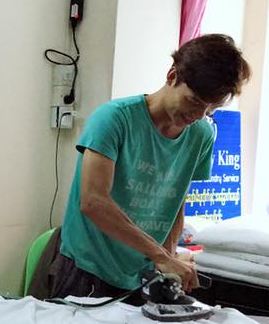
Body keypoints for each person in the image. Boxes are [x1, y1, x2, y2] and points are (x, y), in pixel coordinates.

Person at [49, 34, 251, 301]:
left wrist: (170, 254)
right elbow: (93, 202)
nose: (199, 116)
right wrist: (160, 255)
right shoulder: (114, 119)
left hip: (142, 272)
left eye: (210, 110)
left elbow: (177, 199)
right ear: (172, 76)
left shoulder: (201, 135)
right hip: (87, 269)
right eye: (194, 101)